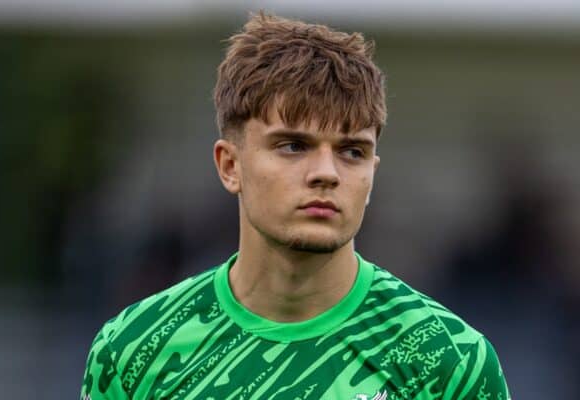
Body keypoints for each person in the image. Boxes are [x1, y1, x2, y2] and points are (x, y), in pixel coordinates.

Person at [80, 12, 510, 400]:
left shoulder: (451, 364)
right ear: (230, 165)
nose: (327, 172)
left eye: (352, 152)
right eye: (293, 145)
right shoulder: (133, 354)